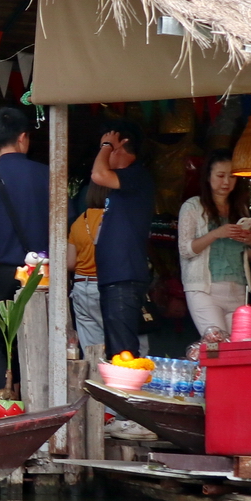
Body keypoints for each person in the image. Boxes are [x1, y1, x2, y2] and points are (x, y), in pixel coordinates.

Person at [0, 106, 50, 397]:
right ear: (23, 137)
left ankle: (4, 393)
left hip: (2, 271)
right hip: (43, 273)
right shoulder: (47, 174)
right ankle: (38, 394)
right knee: (39, 333)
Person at [88, 119, 155, 359]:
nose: (103, 153)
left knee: (124, 352)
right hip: (115, 277)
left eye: (108, 148)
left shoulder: (137, 176)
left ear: (122, 145)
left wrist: (107, 144)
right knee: (116, 352)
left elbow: (98, 174)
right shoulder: (124, 185)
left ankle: (128, 395)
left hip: (124, 277)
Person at [177, 150, 251, 339]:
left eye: (232, 176)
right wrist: (216, 233)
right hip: (205, 289)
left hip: (238, 289)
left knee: (238, 347)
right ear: (208, 177)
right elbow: (185, 250)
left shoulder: (240, 209)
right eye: (220, 176)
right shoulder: (193, 206)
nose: (226, 182)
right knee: (217, 344)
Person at [67, 182, 108, 357]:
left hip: (81, 287)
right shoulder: (114, 219)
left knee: (92, 348)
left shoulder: (78, 222)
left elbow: (70, 263)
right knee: (119, 342)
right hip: (105, 286)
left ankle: (94, 381)